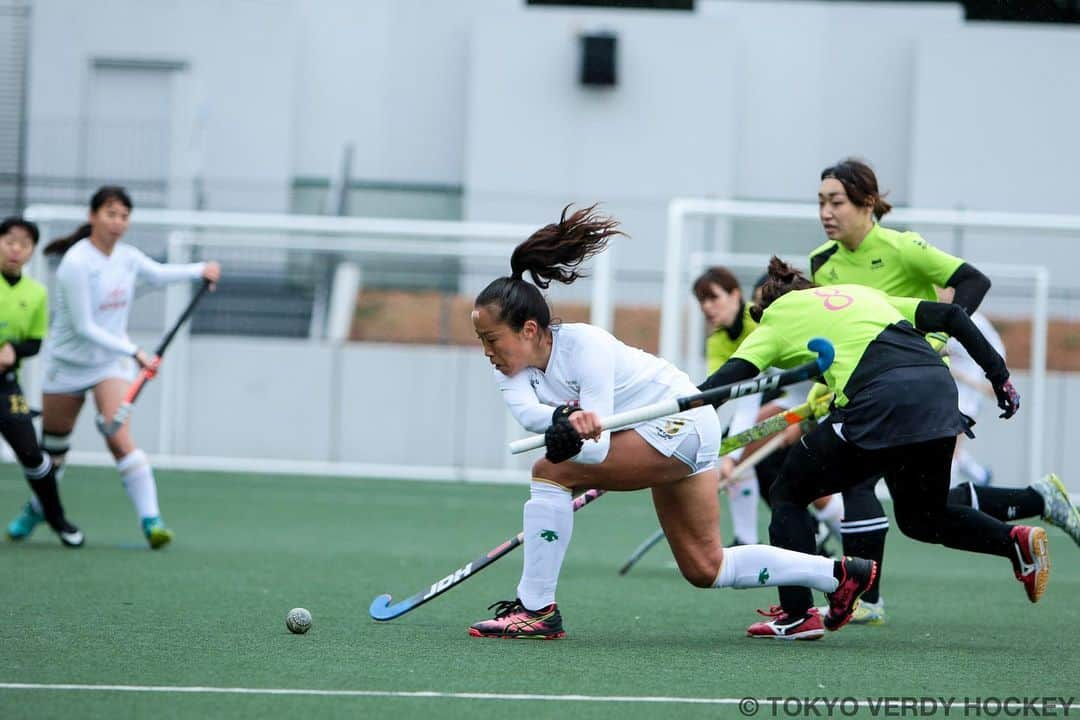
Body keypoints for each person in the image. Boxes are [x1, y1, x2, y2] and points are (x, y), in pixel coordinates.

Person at [466, 204, 876, 642]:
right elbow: (529, 415)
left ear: (529, 330)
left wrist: (569, 433)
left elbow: (598, 450)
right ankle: (839, 575)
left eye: (492, 340)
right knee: (705, 567)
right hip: (656, 436)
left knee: (549, 471)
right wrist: (562, 419)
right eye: (482, 341)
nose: (488, 351)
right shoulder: (507, 371)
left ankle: (535, 609)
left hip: (682, 425)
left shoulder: (586, 347)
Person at [698, 257, 1049, 639]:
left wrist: (688, 408)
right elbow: (952, 316)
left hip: (881, 400)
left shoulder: (775, 318)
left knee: (789, 490)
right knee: (922, 517)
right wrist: (1000, 379)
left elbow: (729, 380)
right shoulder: (858, 294)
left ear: (764, 307)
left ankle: (799, 614)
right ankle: (1014, 542)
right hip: (937, 392)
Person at [808, 158, 1078, 624]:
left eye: (836, 202)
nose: (826, 212)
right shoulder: (822, 264)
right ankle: (1035, 505)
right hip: (864, 393)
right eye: (821, 203)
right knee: (919, 514)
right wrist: (823, 383)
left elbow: (973, 280)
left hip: (910, 389)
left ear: (867, 203)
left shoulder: (902, 247)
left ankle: (865, 599)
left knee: (857, 479)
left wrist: (941, 333)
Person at [5, 186, 221, 549]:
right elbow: (85, 327)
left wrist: (201, 270)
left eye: (124, 215)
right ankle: (38, 507)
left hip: (108, 365)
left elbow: (158, 274)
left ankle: (152, 521)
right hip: (68, 365)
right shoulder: (76, 262)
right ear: (93, 217)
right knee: (54, 451)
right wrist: (135, 350)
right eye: (110, 214)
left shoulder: (128, 257)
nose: (118, 222)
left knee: (118, 436)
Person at [692, 267, 842, 550]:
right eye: (702, 300)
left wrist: (806, 422)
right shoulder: (737, 338)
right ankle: (749, 540)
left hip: (831, 401)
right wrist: (732, 456)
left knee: (807, 482)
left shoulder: (778, 324)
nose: (707, 307)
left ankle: (848, 540)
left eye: (713, 297)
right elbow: (741, 401)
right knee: (750, 458)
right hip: (794, 400)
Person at [0, 217, 83, 547]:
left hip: (6, 387)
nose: (16, 249)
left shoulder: (36, 293)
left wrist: (12, 350)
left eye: (24, 244)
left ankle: (56, 518)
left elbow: (34, 342)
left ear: (32, 251)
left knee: (33, 455)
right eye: (9, 241)